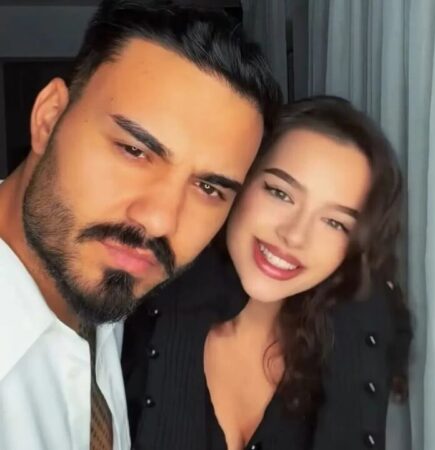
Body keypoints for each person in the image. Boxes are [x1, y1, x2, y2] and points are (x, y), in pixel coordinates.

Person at [0, 1, 281, 449]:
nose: (160, 220)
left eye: (209, 188)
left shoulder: (111, 302)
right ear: (48, 118)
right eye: (134, 151)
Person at [123, 96, 412, 450]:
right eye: (280, 193)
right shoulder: (131, 302)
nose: (295, 235)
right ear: (240, 180)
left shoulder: (352, 347)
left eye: (335, 222)